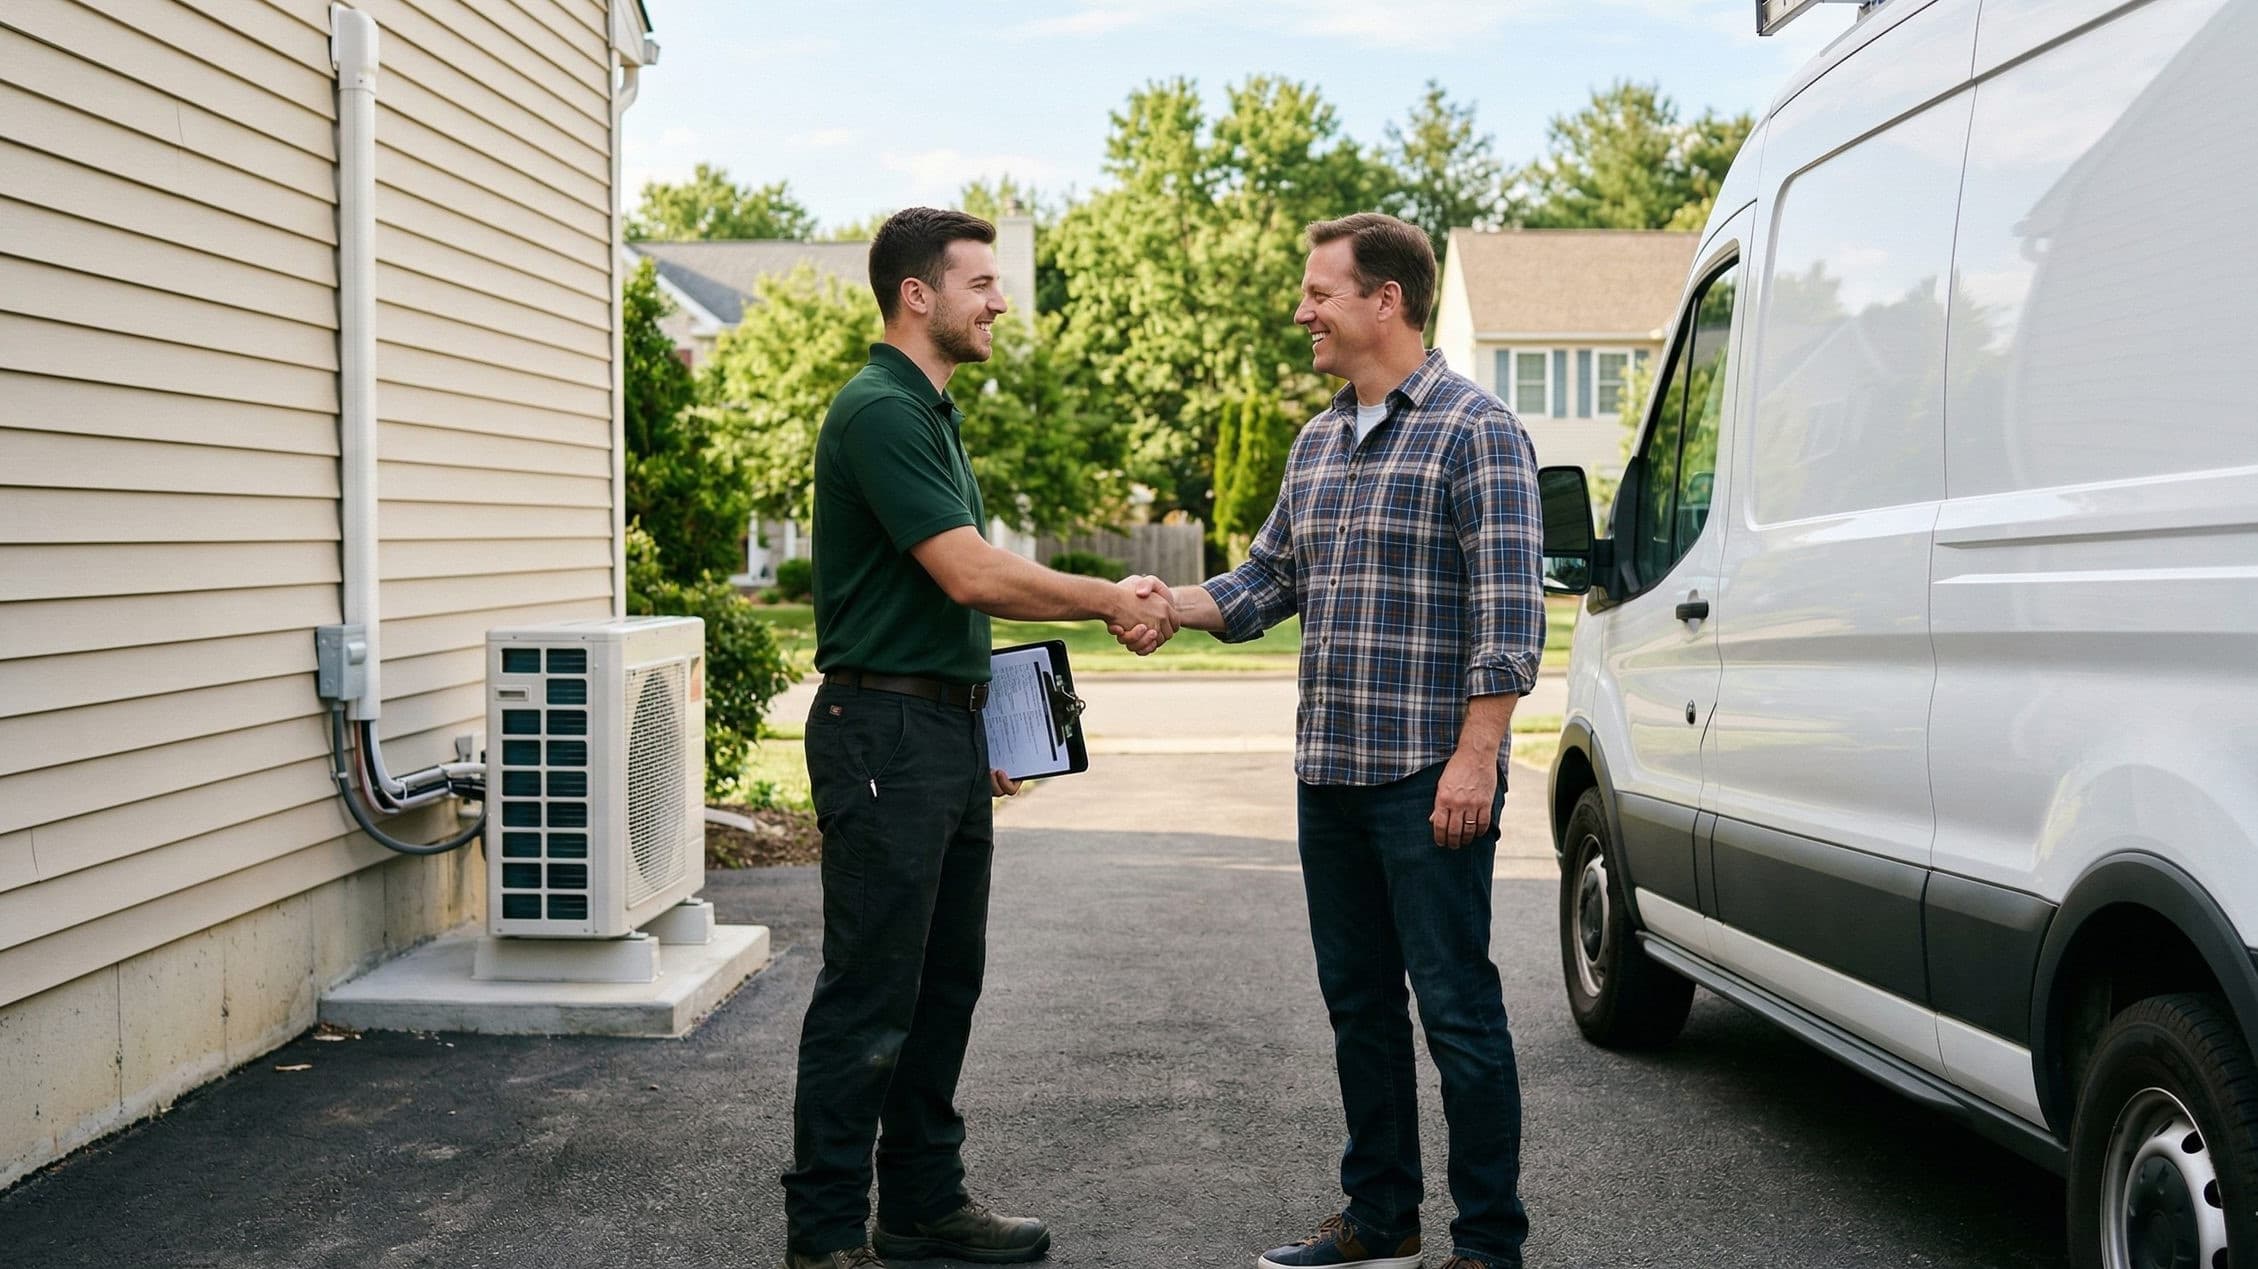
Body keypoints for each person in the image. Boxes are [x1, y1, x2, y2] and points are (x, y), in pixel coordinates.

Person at [1146, 212, 1544, 1269]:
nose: (1301, 310)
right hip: (1326, 774)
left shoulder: (1476, 430)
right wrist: (1156, 605)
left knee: (1456, 1010)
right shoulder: (1317, 439)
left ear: (1386, 301)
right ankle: (1379, 1219)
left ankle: (1488, 1245)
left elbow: (1509, 619)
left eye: (1319, 291)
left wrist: (1477, 755)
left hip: (1426, 778)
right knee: (1358, 1008)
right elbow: (1266, 580)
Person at [782, 206, 1177, 1269]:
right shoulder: (877, 408)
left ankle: (919, 1205)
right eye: (981, 284)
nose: (999, 302)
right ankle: (822, 1238)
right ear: (918, 294)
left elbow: (950, 595)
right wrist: (1108, 596)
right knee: (870, 990)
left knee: (940, 985)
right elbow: (970, 572)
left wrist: (975, 714)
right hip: (882, 735)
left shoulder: (932, 413)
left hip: (934, 730)